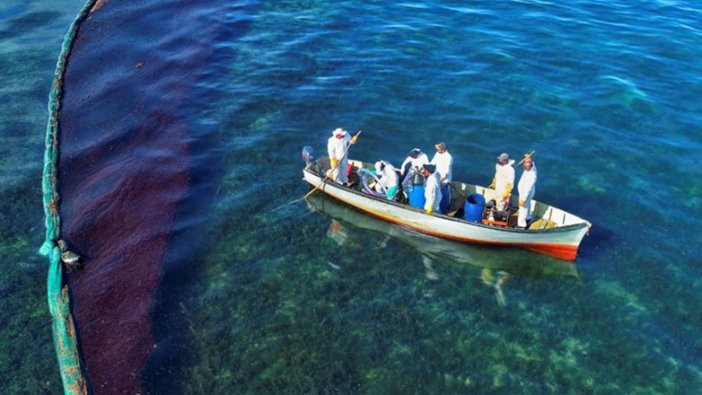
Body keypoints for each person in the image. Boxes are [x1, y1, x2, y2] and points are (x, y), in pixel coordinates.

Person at [430, 142, 453, 213]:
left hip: (444, 181)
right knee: (437, 195)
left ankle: (444, 210)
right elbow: (432, 163)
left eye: (439, 149)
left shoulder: (449, 158)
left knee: (444, 197)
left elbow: (446, 173)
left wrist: (439, 181)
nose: (437, 150)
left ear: (443, 149)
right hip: (437, 177)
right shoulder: (437, 154)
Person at [517, 154, 538, 228]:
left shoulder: (531, 176)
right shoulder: (533, 167)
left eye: (525, 167)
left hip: (525, 194)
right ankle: (528, 217)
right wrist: (529, 158)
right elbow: (533, 163)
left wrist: (523, 199)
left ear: (529, 167)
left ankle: (521, 225)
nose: (524, 168)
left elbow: (527, 189)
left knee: (523, 208)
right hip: (530, 192)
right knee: (528, 205)